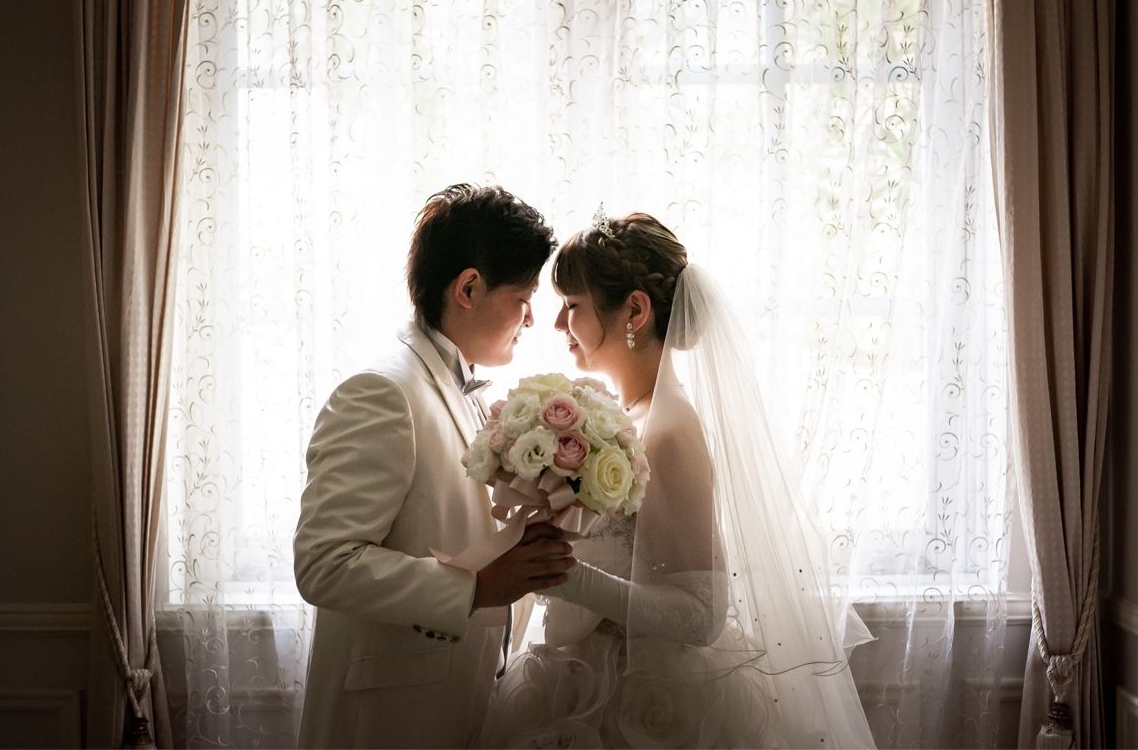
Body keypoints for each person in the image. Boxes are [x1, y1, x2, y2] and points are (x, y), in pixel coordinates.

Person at [478, 212, 877, 748]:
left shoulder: (670, 431)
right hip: (585, 674)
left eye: (571, 305)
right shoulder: (624, 418)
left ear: (635, 311)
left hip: (647, 699)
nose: (555, 324)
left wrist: (568, 579)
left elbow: (702, 615)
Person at [294, 183, 575, 749]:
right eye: (524, 298)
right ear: (468, 288)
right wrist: (477, 587)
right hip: (390, 721)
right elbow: (323, 562)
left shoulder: (461, 388)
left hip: (463, 702)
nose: (530, 320)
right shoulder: (383, 391)